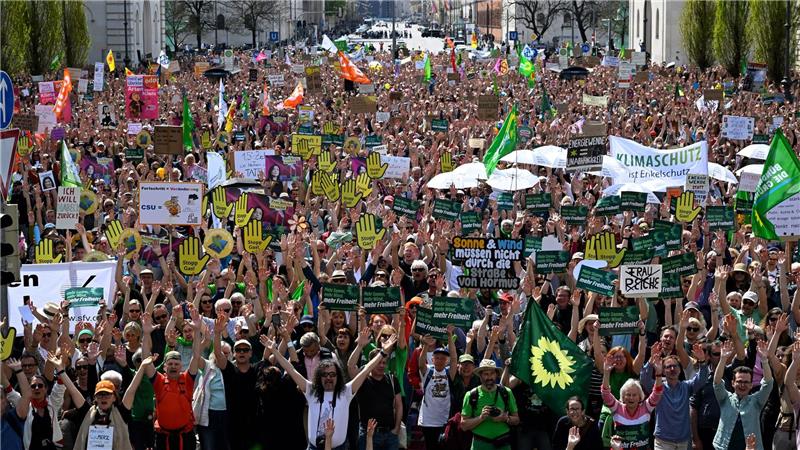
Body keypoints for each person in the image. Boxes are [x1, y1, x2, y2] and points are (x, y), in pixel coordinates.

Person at [267, 333, 398, 450]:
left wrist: (383, 352)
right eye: (325, 375)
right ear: (319, 376)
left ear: (338, 376)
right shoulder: (311, 390)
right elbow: (291, 370)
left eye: (332, 374)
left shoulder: (346, 392)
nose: (328, 377)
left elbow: (365, 370)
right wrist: (274, 350)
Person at [142, 306, 201, 450]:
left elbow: (196, 356)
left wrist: (198, 330)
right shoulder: (159, 381)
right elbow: (145, 359)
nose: (173, 366)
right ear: (164, 367)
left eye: (176, 364)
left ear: (181, 366)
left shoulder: (187, 379)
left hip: (185, 437)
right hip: (163, 438)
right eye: (170, 364)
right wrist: (146, 333)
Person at [713, 339, 774, 450]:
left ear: (751, 385)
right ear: (733, 383)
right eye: (739, 381)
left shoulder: (756, 402)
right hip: (723, 447)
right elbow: (717, 383)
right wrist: (722, 359)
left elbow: (768, 384)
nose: (742, 385)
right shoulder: (725, 398)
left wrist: (764, 360)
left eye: (746, 382)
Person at [601, 352, 664, 450]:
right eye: (628, 395)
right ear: (623, 397)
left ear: (640, 397)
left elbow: (657, 393)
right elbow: (605, 394)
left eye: (634, 395)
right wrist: (606, 373)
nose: (631, 398)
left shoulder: (646, 407)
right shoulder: (617, 408)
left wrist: (659, 373)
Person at [459, 359, 519, 450]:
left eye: (492, 373)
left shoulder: (506, 392)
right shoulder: (471, 395)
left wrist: (505, 418)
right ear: (480, 375)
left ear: (496, 375)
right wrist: (481, 418)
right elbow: (463, 426)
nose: (489, 377)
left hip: (503, 444)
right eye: (486, 374)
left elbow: (517, 420)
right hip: (480, 444)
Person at [354, 347, 402, 450]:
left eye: (384, 363)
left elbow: (399, 405)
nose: (381, 365)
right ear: (371, 363)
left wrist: (397, 428)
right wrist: (360, 345)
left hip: (390, 435)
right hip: (368, 435)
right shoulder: (362, 380)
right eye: (378, 362)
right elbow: (351, 367)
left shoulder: (392, 380)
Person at [416, 331, 457, 450]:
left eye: (443, 358)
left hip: (444, 420)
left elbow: (454, 359)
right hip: (428, 420)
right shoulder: (428, 371)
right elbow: (420, 364)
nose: (440, 360)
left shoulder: (449, 372)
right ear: (432, 360)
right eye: (437, 358)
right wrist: (425, 345)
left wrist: (449, 337)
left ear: (446, 361)